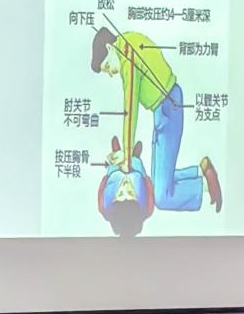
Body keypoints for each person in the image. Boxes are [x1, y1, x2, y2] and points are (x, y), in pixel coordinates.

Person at [92, 27, 223, 218]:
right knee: (157, 182)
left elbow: (130, 109)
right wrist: (125, 154)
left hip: (168, 109)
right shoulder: (129, 41)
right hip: (167, 107)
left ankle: (204, 185)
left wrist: (127, 157)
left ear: (109, 48)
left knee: (162, 197)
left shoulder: (127, 55)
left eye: (107, 66)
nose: (111, 72)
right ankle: (201, 171)